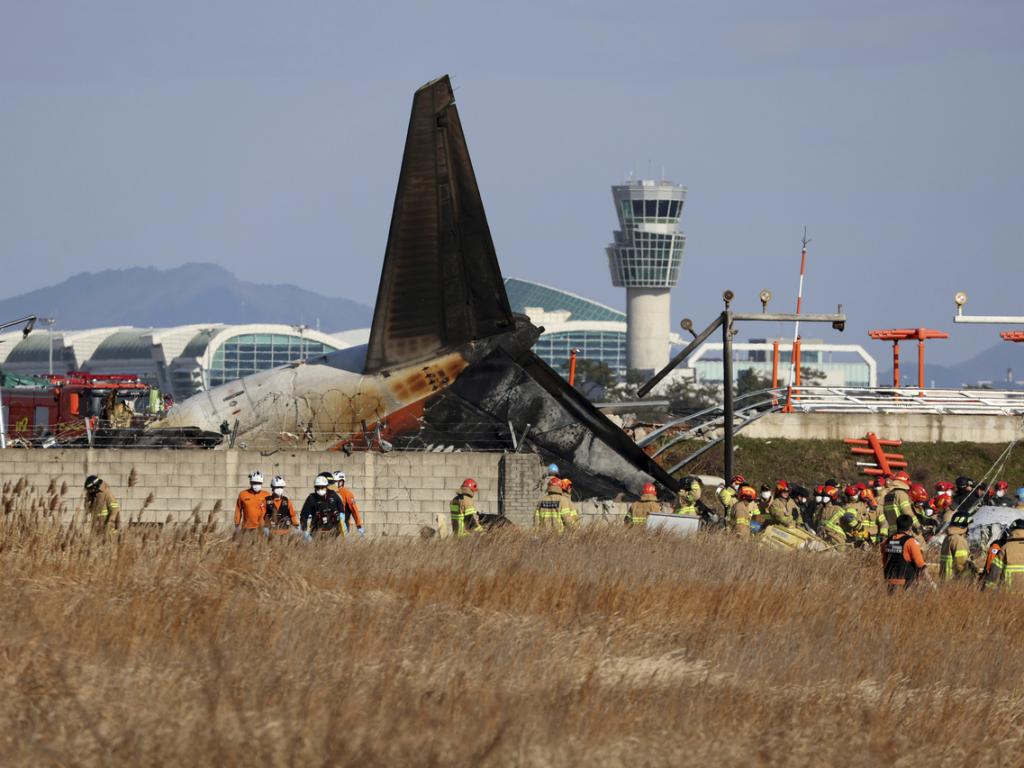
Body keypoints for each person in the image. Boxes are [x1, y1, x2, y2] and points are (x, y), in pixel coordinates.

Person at [881, 514, 934, 592]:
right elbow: (920, 564)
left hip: (890, 582)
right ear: (910, 527)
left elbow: (885, 561)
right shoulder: (910, 542)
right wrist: (931, 582)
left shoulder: (887, 541)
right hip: (906, 584)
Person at [984, 518, 1024, 592]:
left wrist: (987, 591)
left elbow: (994, 573)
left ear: (1012, 531)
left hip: (1008, 595)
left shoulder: (1005, 548)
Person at [939, 510, 977, 582]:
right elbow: (961, 565)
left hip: (945, 580)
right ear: (964, 525)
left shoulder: (949, 538)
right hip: (955, 581)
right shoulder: (958, 540)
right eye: (968, 525)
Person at [333, 470, 365, 537]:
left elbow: (354, 510)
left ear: (341, 482)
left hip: (343, 524)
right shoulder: (331, 493)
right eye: (333, 482)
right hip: (331, 524)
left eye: (335, 481)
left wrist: (358, 525)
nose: (334, 483)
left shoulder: (347, 493)